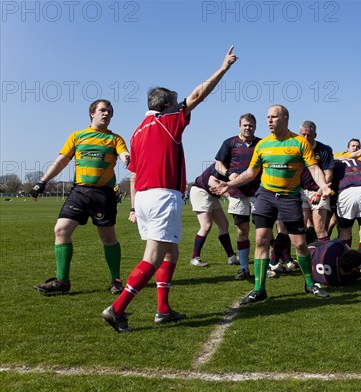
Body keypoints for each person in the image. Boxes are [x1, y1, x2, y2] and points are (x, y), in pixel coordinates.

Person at [101, 46, 237, 333]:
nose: (180, 105)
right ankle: (117, 309)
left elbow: (134, 174)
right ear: (166, 105)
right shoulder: (167, 121)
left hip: (146, 199)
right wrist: (223, 68)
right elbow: (199, 95)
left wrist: (135, 206)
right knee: (153, 256)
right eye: (176, 102)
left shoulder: (137, 131)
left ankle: (163, 310)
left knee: (171, 253)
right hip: (163, 196)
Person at [211, 104, 332, 304]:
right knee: (261, 240)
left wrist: (323, 186)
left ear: (285, 118)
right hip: (265, 196)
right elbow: (251, 173)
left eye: (274, 117)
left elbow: (314, 168)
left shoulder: (300, 142)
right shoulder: (262, 145)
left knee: (300, 244)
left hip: (290, 197)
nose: (269, 121)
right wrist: (229, 184)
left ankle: (310, 283)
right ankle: (259, 289)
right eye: (267, 117)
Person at [31, 99, 129, 295]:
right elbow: (61, 162)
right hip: (79, 193)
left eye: (110, 111)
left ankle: (116, 280)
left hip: (103, 194)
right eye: (102, 110)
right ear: (92, 113)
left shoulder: (115, 139)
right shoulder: (77, 136)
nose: (107, 114)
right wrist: (42, 182)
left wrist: (127, 157)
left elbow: (123, 153)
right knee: (61, 230)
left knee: (108, 237)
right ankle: (62, 281)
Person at [214, 113, 262, 280]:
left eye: (251, 125)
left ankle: (267, 264)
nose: (248, 127)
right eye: (245, 125)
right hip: (238, 194)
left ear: (255, 126)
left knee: (263, 231)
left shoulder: (262, 144)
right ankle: (243, 268)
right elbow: (218, 163)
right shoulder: (230, 142)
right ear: (239, 126)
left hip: (259, 193)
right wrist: (229, 174)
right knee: (243, 231)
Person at [330, 155, 361, 276]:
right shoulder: (358, 162)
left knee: (345, 232)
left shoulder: (334, 163)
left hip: (347, 190)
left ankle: (349, 267)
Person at [188, 163, 238, 269]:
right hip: (200, 190)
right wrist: (229, 198)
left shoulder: (234, 164)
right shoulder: (223, 164)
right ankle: (195, 258)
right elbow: (212, 182)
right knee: (206, 225)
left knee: (223, 224)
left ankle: (231, 257)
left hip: (211, 194)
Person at [299, 120, 334, 242]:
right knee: (299, 228)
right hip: (300, 191)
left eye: (309, 134)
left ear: (315, 135)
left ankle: (323, 258)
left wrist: (319, 192)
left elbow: (328, 174)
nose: (306, 137)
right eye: (303, 134)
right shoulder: (296, 148)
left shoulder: (324, 150)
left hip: (319, 191)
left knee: (319, 228)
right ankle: (306, 258)